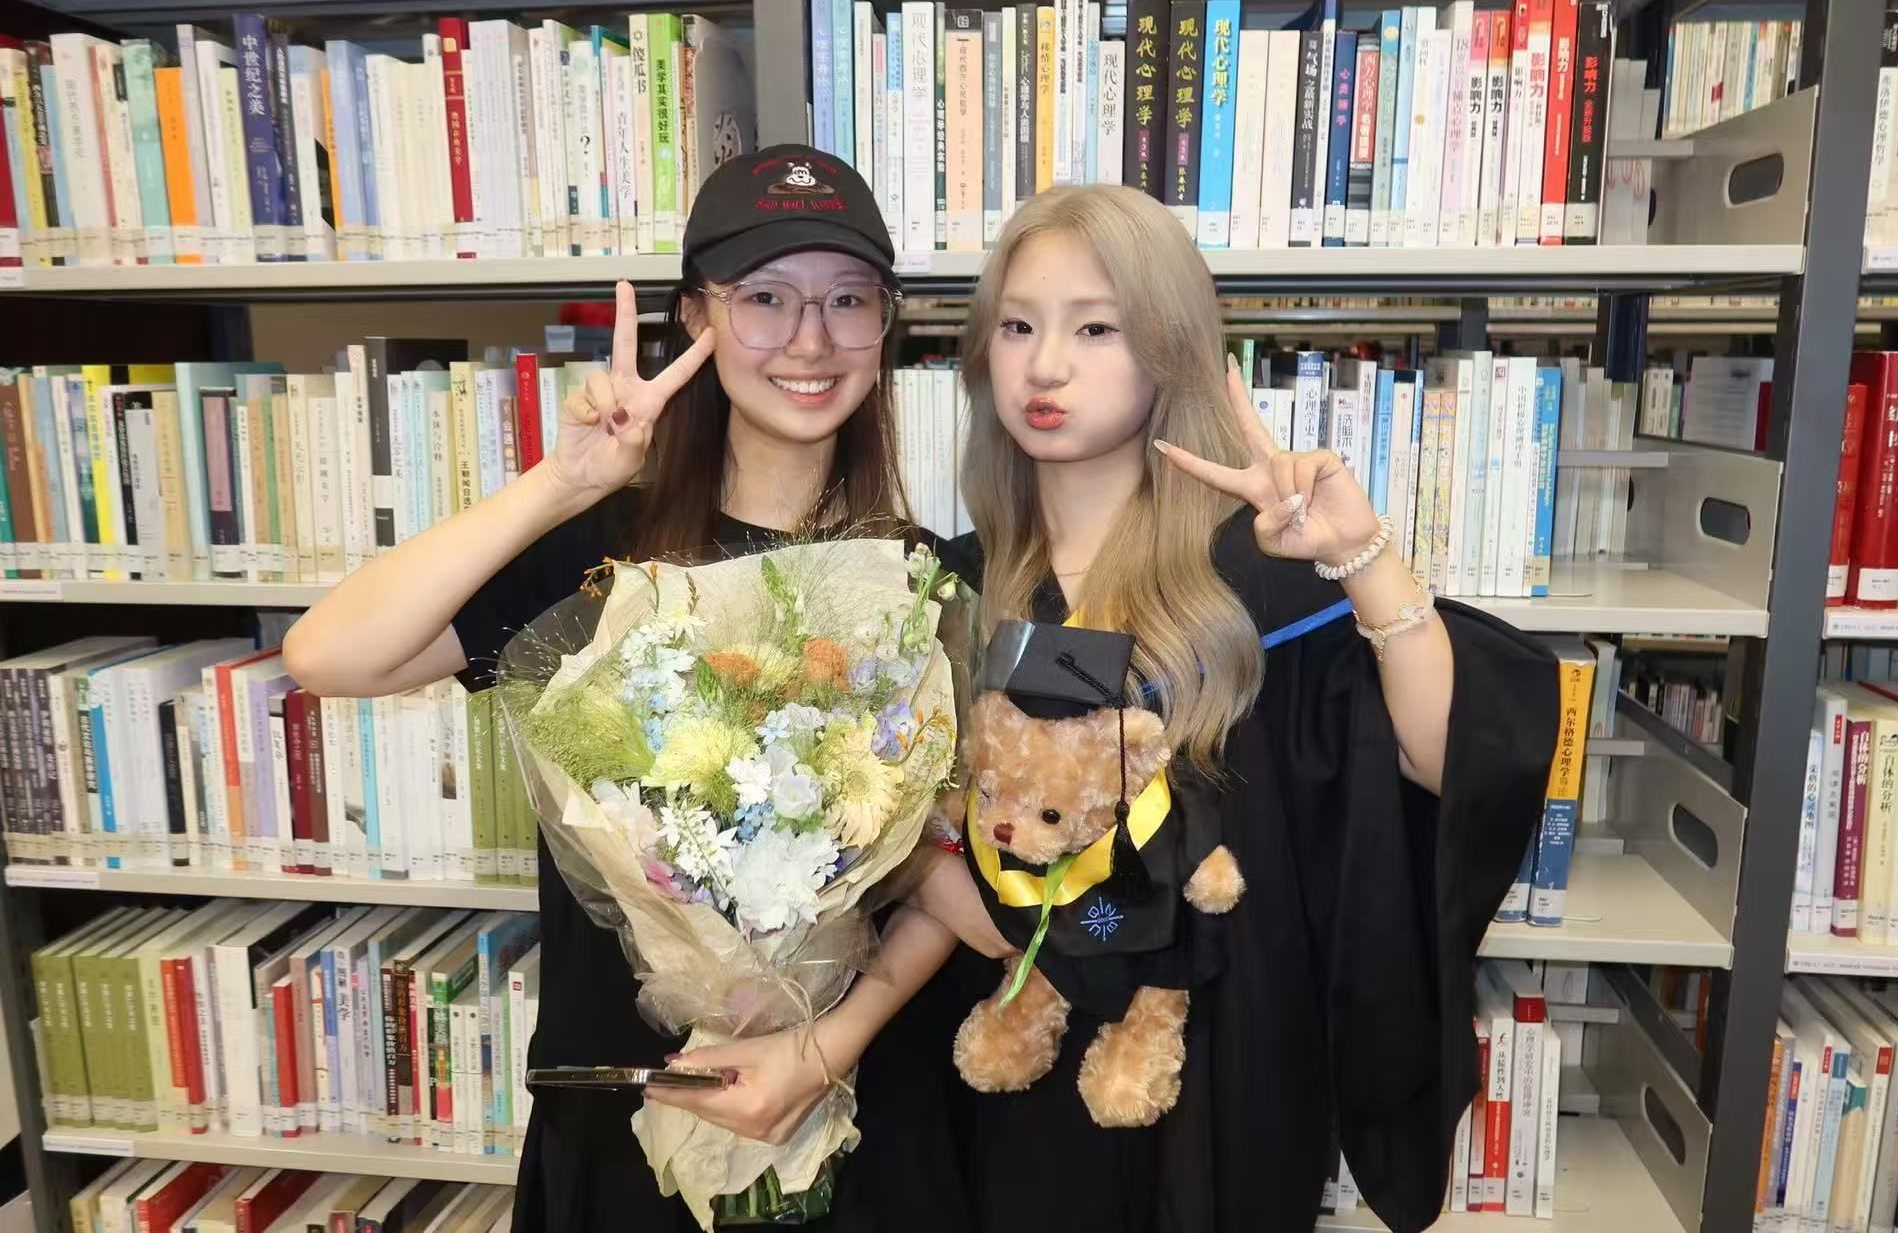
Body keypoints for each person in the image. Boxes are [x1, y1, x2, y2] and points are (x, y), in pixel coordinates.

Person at [663, 183, 1560, 1232]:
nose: (1047, 365)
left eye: (1096, 328)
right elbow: (898, 848)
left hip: (1213, 1083)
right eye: (1018, 327)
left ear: (1169, 349)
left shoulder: (1256, 585)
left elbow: (1449, 764)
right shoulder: (947, 589)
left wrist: (1363, 560)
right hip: (998, 1077)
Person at [283, 145, 976, 1233]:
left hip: (857, 1121)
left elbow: (954, 871)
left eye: (848, 300)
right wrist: (562, 483)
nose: (810, 339)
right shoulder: (599, 555)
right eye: (765, 299)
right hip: (626, 1120)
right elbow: (330, 655)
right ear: (696, 316)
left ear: (885, 325)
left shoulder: (921, 583)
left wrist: (816, 1048)